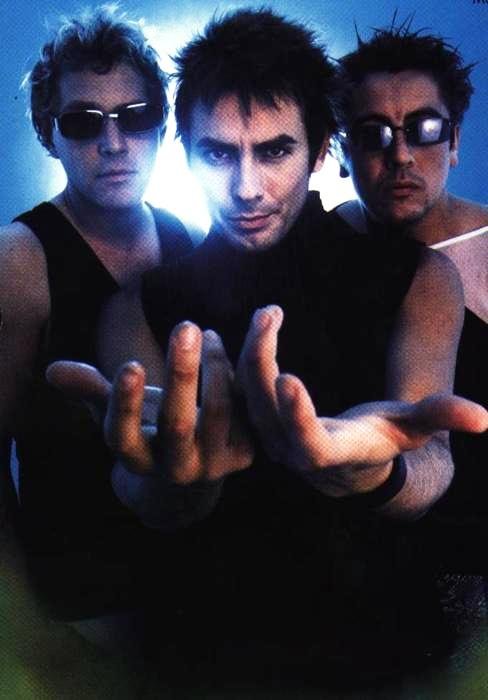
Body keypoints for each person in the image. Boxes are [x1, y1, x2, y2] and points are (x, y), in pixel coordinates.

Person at [50, 9, 488, 689]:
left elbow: (430, 460)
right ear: (185, 151)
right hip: (201, 656)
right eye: (218, 153)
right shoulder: (138, 305)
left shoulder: (421, 279)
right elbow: (141, 490)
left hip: (386, 653)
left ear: (320, 150)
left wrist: (370, 468)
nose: (246, 187)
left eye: (275, 151)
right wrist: (174, 479)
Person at [0, 5, 193, 634]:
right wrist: (19, 617)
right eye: (84, 122)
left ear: (161, 123)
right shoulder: (19, 259)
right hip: (78, 603)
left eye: (134, 117)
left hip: (193, 590)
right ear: (47, 133)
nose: (113, 143)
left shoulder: (186, 238)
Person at [335, 25, 487, 581]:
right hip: (365, 562)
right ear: (342, 151)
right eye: (372, 134)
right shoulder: (323, 246)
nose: (400, 155)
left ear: (454, 141)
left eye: (424, 130)